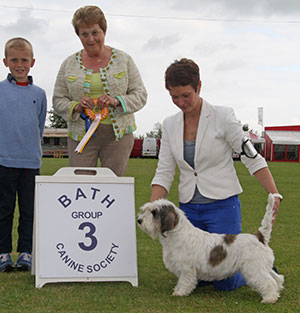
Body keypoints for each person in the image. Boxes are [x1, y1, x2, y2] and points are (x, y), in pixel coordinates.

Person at [150, 58, 282, 291]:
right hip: (189, 209)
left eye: (186, 95)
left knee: (225, 282)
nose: (180, 102)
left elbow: (250, 156)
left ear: (199, 86)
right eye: (174, 97)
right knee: (197, 276)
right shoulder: (170, 124)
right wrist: (153, 208)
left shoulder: (223, 116)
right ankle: (256, 265)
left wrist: (274, 192)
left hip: (222, 205)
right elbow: (164, 170)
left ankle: (260, 266)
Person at [53, 5, 147, 176]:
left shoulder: (124, 60)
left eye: (95, 32)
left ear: (104, 31)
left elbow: (141, 95)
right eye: (84, 34)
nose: (90, 39)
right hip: (80, 136)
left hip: (118, 137)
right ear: (78, 35)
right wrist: (76, 106)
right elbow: (58, 100)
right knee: (80, 188)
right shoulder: (68, 64)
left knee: (112, 190)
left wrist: (117, 101)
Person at [0, 38, 47, 272]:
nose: (20, 64)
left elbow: (39, 127)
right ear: (6, 61)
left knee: (29, 211)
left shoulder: (39, 94)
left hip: (30, 163)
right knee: (4, 209)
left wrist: (31, 150)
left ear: (33, 62)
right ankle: (3, 253)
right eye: (15, 60)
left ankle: (26, 253)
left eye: (24, 60)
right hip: (4, 162)